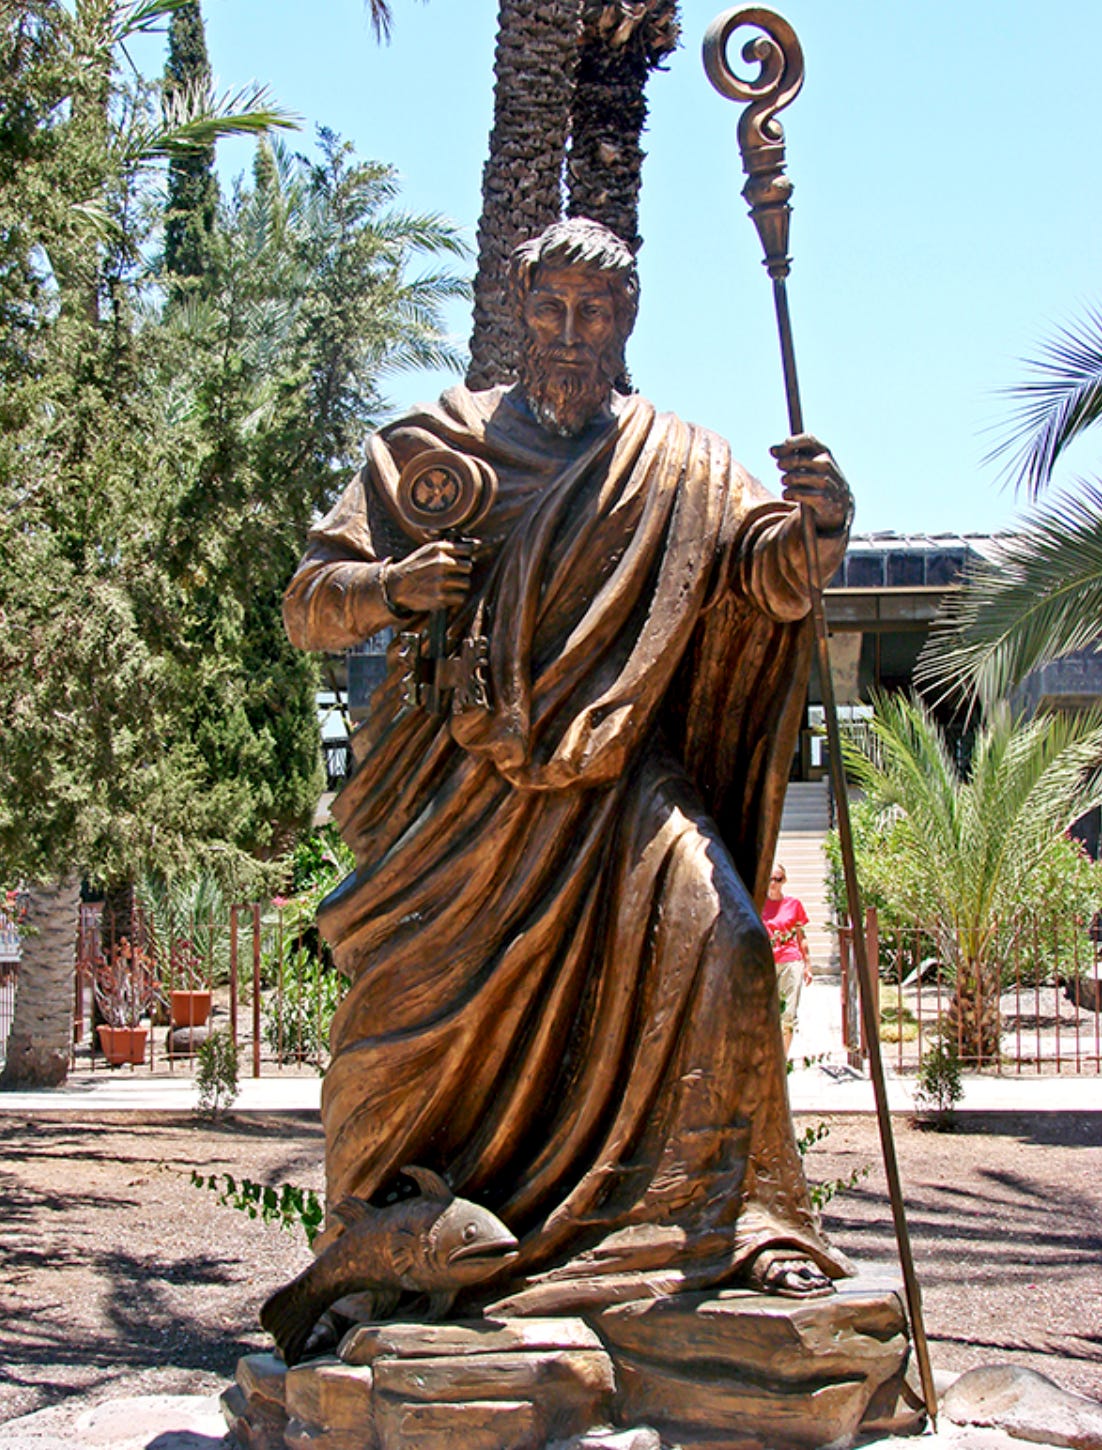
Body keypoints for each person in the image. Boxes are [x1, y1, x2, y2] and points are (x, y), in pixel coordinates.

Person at [283, 218, 854, 1313]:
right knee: (409, 1035)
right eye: (550, 307)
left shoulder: (682, 464)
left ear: (625, 322)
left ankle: (731, 1226)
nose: (570, 332)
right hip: (466, 805)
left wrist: (817, 530)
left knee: (730, 942)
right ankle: (383, 1251)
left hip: (625, 781)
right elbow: (312, 603)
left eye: (594, 312)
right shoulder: (435, 445)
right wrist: (394, 587)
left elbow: (766, 575)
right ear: (519, 310)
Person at [762, 863, 813, 1056]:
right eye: (770, 878)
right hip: (766, 963)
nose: (773, 883)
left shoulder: (793, 905)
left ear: (784, 881)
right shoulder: (758, 904)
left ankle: (782, 1059)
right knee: (765, 1012)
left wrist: (807, 965)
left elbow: (801, 936)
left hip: (791, 961)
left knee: (788, 1014)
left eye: (778, 879)